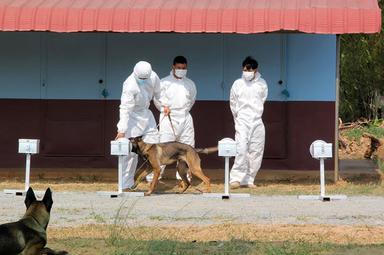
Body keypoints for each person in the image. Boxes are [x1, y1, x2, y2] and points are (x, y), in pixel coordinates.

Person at [146, 56, 197, 183]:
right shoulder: (163, 82)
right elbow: (157, 99)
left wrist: (183, 111)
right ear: (173, 67)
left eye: (184, 68)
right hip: (168, 116)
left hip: (185, 117)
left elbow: (192, 100)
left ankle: (183, 176)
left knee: (187, 146)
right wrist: (163, 108)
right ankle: (154, 176)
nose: (181, 70)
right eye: (178, 68)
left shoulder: (190, 83)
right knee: (163, 147)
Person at [115, 61, 164, 191]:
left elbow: (159, 94)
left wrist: (164, 106)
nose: (143, 80)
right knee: (130, 153)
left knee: (155, 147)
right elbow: (125, 108)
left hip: (147, 115)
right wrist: (122, 130)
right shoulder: (129, 84)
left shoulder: (153, 76)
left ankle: (152, 182)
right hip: (132, 117)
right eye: (141, 78)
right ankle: (126, 184)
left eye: (145, 78)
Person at [229, 56, 268, 189]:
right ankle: (235, 178)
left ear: (256, 70)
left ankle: (249, 179)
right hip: (242, 120)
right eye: (245, 69)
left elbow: (262, 100)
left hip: (257, 120)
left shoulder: (262, 84)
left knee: (256, 150)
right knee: (241, 148)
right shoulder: (237, 84)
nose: (247, 71)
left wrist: (255, 115)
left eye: (250, 69)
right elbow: (233, 103)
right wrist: (238, 118)